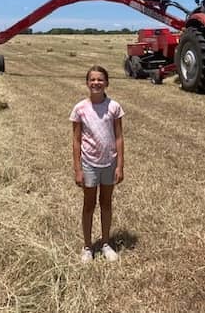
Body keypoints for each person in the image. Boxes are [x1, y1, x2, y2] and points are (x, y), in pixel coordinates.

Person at [70, 65, 125, 263]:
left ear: (107, 83)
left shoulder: (114, 107)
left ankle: (105, 243)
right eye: (92, 79)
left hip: (109, 163)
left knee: (106, 203)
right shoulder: (80, 109)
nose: (96, 83)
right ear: (87, 83)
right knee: (89, 204)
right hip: (89, 164)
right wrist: (78, 169)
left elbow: (119, 137)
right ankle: (87, 246)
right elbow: (76, 140)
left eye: (100, 79)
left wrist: (120, 165)